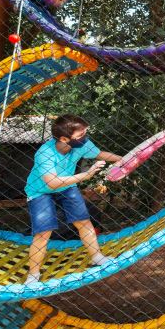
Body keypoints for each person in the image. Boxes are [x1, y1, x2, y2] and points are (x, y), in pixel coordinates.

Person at [24, 114, 122, 284]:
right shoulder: (45, 153)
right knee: (43, 232)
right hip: (40, 191)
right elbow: (52, 182)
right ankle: (33, 275)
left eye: (85, 133)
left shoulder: (81, 145)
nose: (84, 138)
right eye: (80, 135)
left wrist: (124, 159)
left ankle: (97, 257)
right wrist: (86, 175)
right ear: (64, 138)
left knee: (83, 221)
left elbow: (99, 154)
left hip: (67, 185)